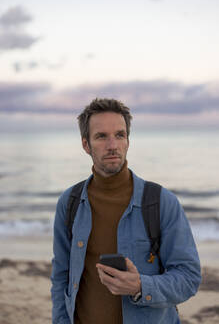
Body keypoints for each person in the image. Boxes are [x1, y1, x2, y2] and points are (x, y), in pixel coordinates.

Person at [51, 98, 201, 324]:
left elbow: (189, 277)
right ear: (86, 144)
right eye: (101, 136)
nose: (113, 145)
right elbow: (61, 277)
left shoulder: (161, 202)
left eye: (119, 135)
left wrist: (141, 285)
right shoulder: (69, 202)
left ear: (128, 141)